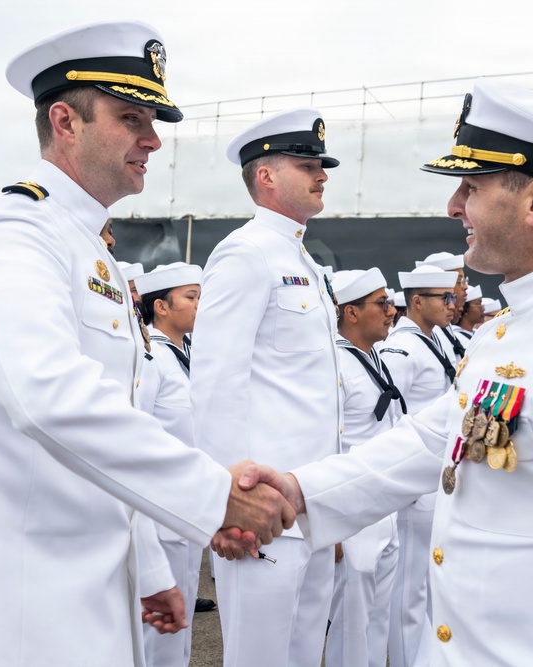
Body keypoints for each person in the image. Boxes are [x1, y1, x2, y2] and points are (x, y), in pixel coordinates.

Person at [240, 77, 533, 666]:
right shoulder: (514, 329)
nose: (454, 207)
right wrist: (300, 491)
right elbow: (437, 439)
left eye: (471, 187)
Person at [0, 21, 294, 667]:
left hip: (85, 583)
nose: (153, 139)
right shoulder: (12, 228)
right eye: (131, 116)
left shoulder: (89, 248)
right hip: (10, 600)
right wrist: (211, 492)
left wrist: (149, 563)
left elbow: (113, 422)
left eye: (153, 119)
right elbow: (45, 394)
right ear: (65, 120)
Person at [191, 107, 343, 667]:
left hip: (310, 505)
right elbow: (214, 383)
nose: (322, 173)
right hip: (263, 510)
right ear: (267, 176)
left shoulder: (301, 258)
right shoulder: (246, 252)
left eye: (321, 164)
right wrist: (228, 504)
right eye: (307, 164)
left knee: (305, 658)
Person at [378, 264, 458, 667]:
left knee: (428, 586)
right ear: (416, 301)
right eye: (443, 297)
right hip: (415, 483)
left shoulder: (436, 338)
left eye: (452, 296)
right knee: (408, 589)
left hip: (437, 479)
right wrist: (402, 482)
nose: (452, 303)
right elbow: (390, 415)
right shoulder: (403, 348)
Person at [325, 268, 403, 667]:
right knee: (351, 624)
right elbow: (327, 445)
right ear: (350, 313)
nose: (391, 312)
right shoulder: (333, 365)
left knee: (378, 618)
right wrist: (332, 525)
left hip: (383, 506)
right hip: (352, 510)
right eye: (382, 304)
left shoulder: (372, 356)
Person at [134, 262, 204, 667]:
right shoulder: (151, 359)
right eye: (191, 298)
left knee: (183, 617)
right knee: (158, 626)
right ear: (161, 306)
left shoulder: (190, 354)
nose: (200, 305)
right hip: (160, 509)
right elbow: (137, 435)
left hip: (189, 505)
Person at [416, 252, 468, 363]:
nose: (466, 287)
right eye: (460, 281)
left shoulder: (443, 325)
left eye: (465, 280)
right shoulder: (429, 329)